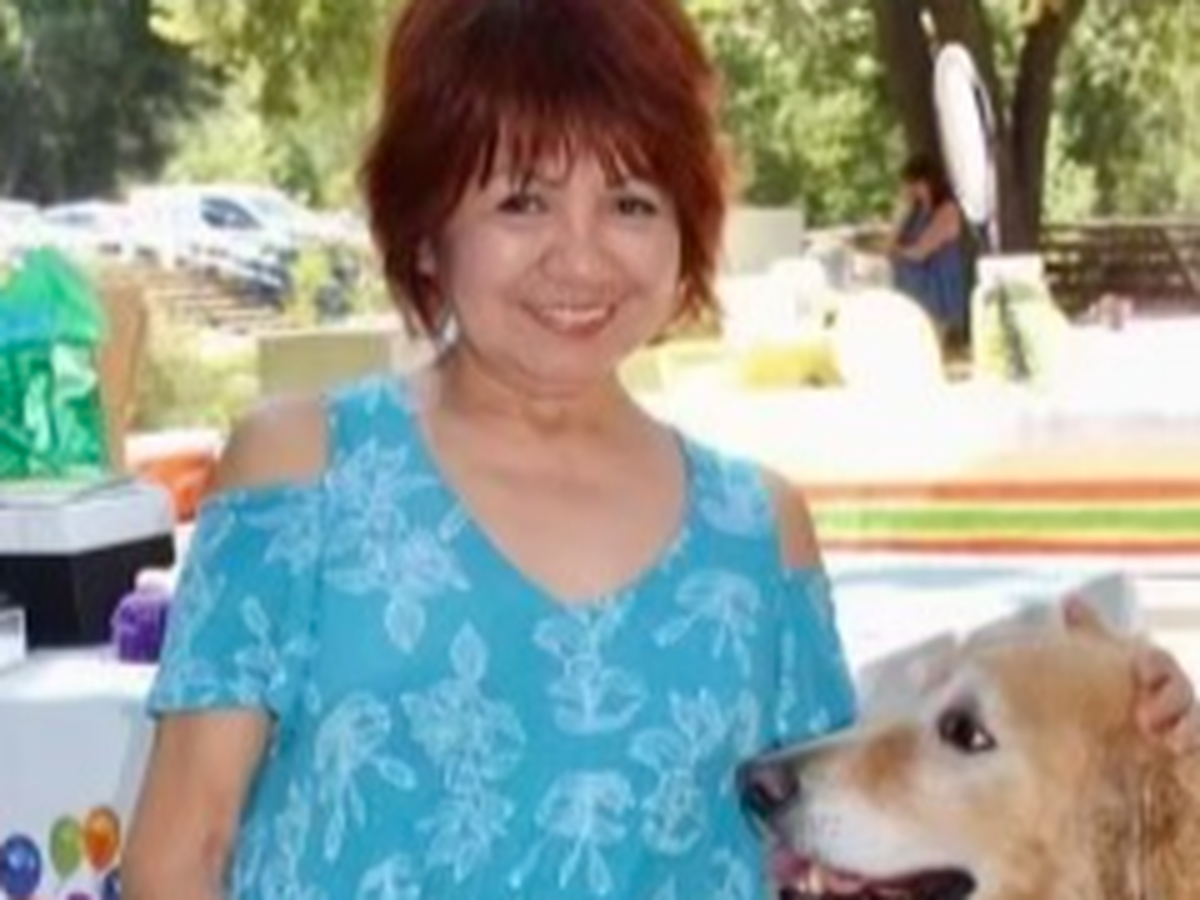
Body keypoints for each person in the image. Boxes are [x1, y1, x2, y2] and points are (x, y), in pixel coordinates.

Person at [122, 0, 1199, 897]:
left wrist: (1142, 741)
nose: (580, 257)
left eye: (631, 201)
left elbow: (847, 849)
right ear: (426, 224)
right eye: (522, 199)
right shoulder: (299, 474)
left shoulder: (756, 531)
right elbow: (182, 854)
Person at [887, 153, 971, 350]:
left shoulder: (947, 210)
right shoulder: (914, 212)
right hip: (910, 289)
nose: (910, 189)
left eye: (914, 183)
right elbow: (890, 246)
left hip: (937, 292)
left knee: (933, 346)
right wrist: (901, 213)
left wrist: (897, 251)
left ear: (927, 181)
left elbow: (920, 252)